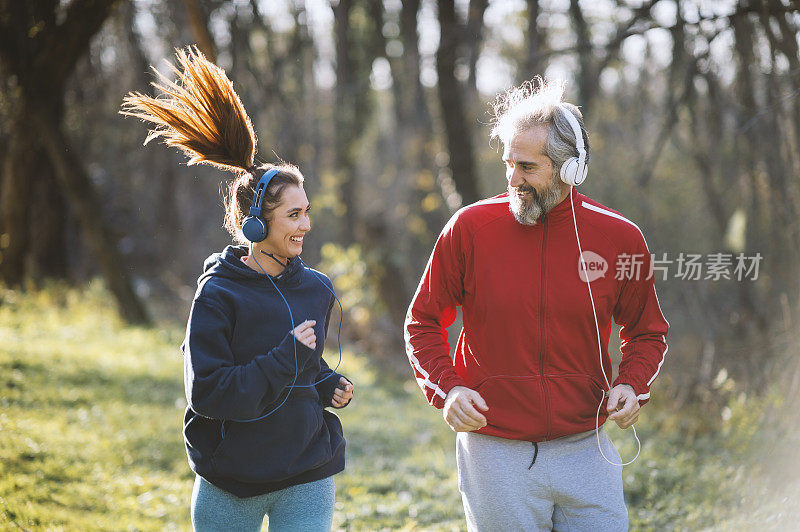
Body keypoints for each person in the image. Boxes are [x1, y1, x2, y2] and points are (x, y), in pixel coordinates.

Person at [404, 77, 669, 531]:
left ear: (569, 169)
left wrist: (632, 383)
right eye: (508, 163)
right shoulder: (469, 229)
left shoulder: (619, 238)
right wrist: (449, 389)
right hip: (495, 453)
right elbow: (423, 320)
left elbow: (647, 331)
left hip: (588, 448)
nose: (513, 179)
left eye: (527, 167)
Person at [121, 47, 354, 531]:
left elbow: (304, 366)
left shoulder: (315, 288)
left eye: (307, 211)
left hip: (308, 472)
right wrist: (284, 360)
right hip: (232, 481)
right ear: (253, 225)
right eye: (294, 214)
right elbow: (206, 392)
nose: (306, 225)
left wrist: (327, 382)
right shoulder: (218, 295)